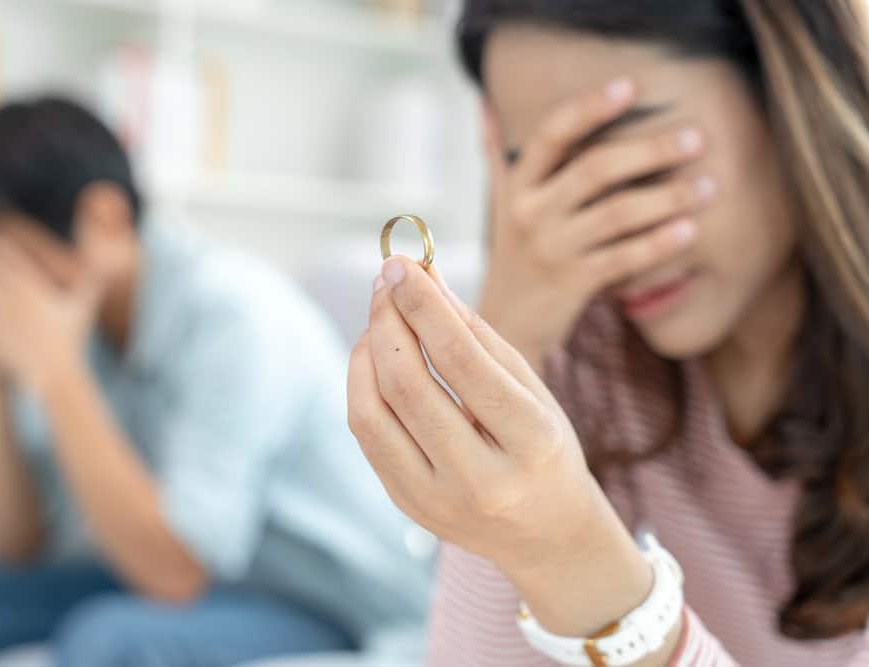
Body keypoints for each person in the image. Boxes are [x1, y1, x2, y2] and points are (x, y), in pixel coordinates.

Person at [347, 1, 869, 665]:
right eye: (539, 170)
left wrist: (569, 552)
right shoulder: (593, 349)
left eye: (628, 165)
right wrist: (508, 349)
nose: (599, 231)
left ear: (786, 94)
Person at [0, 97, 431, 666]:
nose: (3, 290)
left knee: (111, 640)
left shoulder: (232, 315)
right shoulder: (86, 321)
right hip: (199, 586)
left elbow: (176, 572)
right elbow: (17, 542)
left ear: (103, 217)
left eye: (10, 260)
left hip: (322, 604)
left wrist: (56, 371)